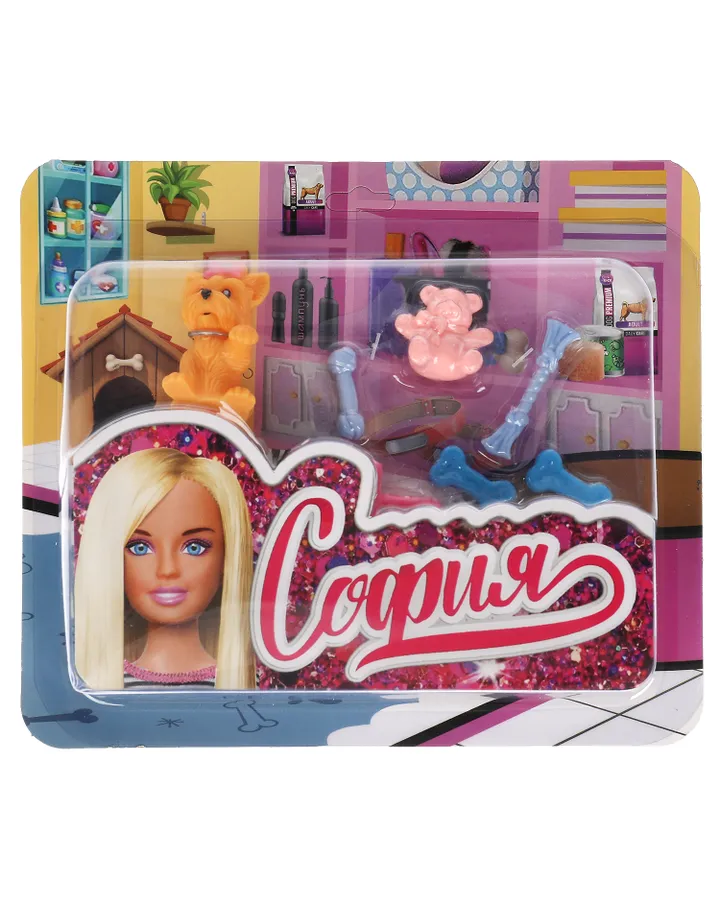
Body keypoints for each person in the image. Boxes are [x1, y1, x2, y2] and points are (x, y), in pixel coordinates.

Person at [74, 448, 255, 690]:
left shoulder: (247, 689)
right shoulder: (96, 689)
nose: (167, 570)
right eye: (140, 548)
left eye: (194, 547)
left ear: (227, 556)